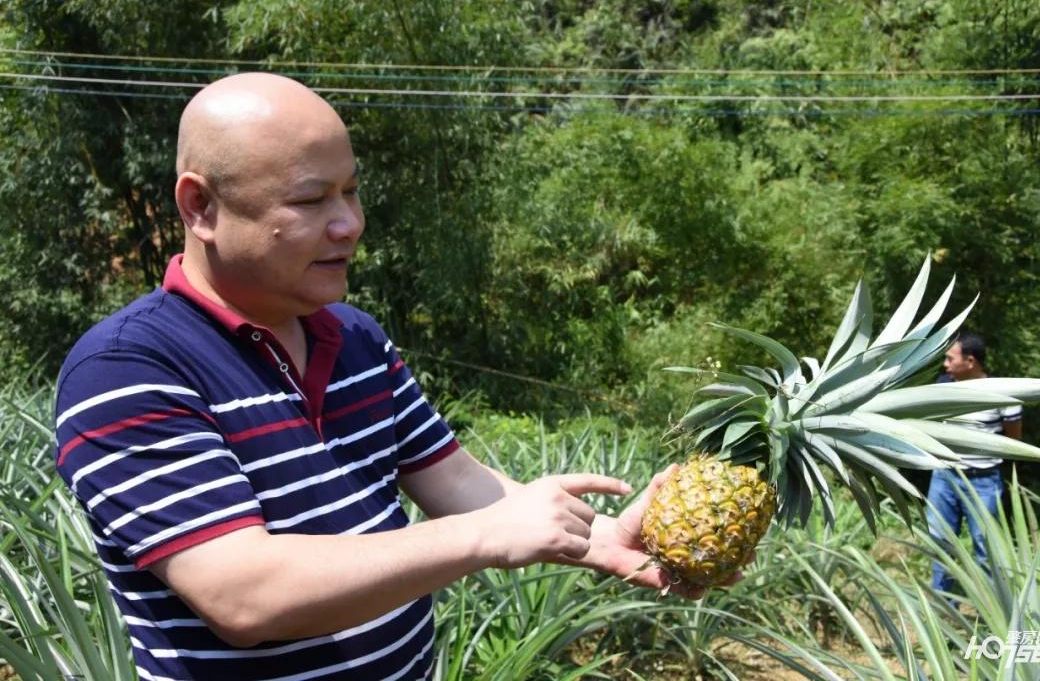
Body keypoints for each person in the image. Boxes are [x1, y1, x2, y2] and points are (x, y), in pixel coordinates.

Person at [53, 73, 706, 681]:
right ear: (200, 207)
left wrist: (602, 541)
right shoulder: (127, 370)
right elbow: (244, 595)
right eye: (312, 199)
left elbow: (455, 481)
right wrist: (485, 538)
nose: (350, 224)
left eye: (351, 191)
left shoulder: (355, 337)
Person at [926, 332, 1022, 595]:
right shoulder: (943, 385)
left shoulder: (1001, 393)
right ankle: (943, 609)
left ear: (970, 361)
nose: (945, 364)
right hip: (944, 477)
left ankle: (991, 614)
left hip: (983, 481)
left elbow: (1014, 437)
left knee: (986, 547)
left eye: (950, 358)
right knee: (940, 543)